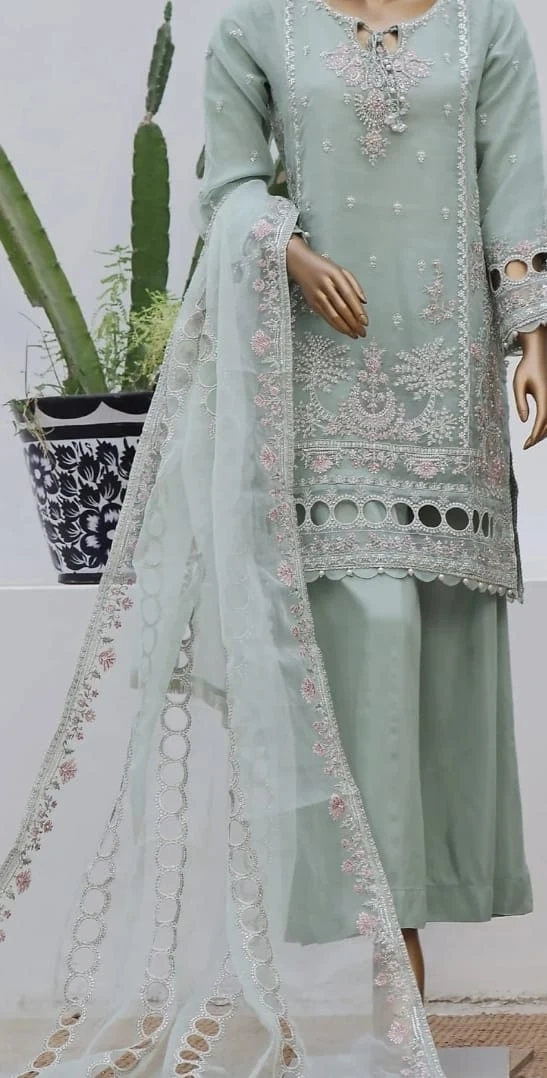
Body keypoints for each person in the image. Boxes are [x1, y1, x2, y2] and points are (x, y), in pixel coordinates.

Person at [1, 0, 546, 1075]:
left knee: (438, 680)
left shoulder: (484, 24)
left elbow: (515, 184)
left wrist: (534, 330)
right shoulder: (261, 24)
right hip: (320, 394)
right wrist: (288, 251)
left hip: (448, 398)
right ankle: (392, 968)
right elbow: (229, 187)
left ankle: (409, 972)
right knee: (368, 653)